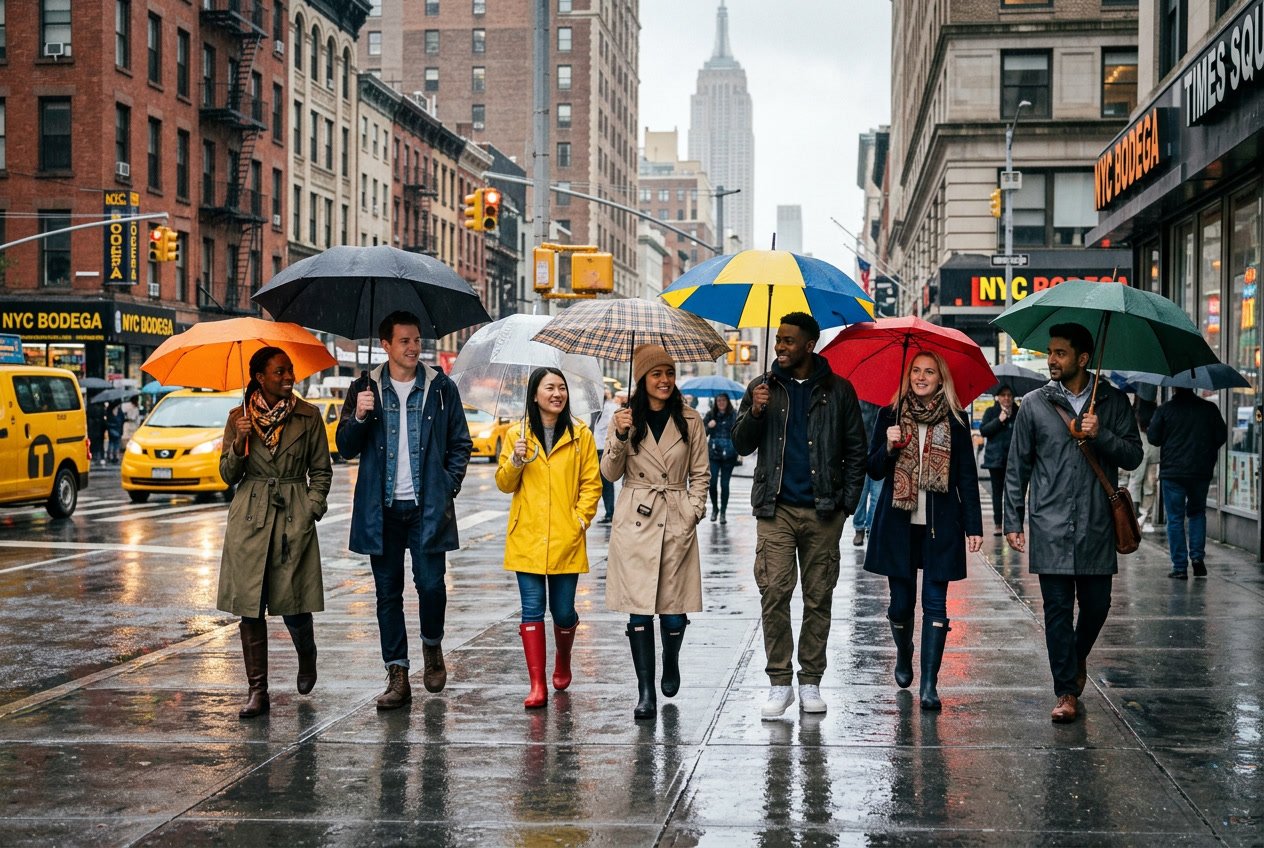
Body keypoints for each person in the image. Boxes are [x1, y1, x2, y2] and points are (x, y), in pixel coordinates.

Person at [732, 312, 867, 718]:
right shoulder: (762, 388)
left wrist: (845, 506)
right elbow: (740, 445)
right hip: (774, 509)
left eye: (789, 341)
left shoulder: (839, 391)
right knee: (773, 593)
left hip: (824, 511)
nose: (780, 348)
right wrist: (754, 413)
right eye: (778, 341)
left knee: (818, 596)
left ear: (810, 345)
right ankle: (779, 683)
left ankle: (810, 681)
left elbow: (855, 451)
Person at [1004, 322, 1141, 723]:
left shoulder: (1113, 402)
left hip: (1098, 522)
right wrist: (1014, 519)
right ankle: (1066, 691)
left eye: (1060, 353)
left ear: (1082, 358)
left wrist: (1101, 436)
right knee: (1057, 611)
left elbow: (1133, 456)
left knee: (1098, 606)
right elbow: (1018, 467)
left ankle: (1074, 657)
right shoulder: (1033, 404)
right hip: (1049, 522)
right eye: (1049, 352)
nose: (1051, 360)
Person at [336, 310, 473, 711]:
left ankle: (432, 644)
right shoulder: (364, 387)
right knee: (387, 593)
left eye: (416, 341)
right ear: (385, 346)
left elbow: (460, 443)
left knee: (431, 586)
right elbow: (345, 446)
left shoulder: (441, 387)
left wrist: (447, 486)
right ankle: (397, 673)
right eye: (405, 341)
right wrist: (360, 415)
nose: (414, 348)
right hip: (382, 510)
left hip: (426, 507)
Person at [217, 347, 333, 718]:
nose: (288, 377)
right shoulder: (239, 417)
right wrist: (239, 442)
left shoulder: (308, 416)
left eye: (290, 371)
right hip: (249, 517)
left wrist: (310, 509)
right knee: (250, 608)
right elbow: (227, 475)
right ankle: (258, 691)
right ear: (260, 377)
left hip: (291, 515)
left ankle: (308, 654)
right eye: (280, 372)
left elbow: (321, 471)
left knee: (294, 603)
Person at [864, 352, 983, 710]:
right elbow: (873, 470)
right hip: (898, 526)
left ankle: (929, 685)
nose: (921, 376)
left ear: (940, 378)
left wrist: (973, 525)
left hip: (940, 526)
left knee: (935, 604)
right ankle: (904, 653)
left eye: (929, 371)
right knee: (901, 605)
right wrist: (887, 445)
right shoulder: (890, 415)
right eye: (915, 370)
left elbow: (967, 476)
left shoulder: (956, 420)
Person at [602, 344, 710, 721]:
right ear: (642, 379)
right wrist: (618, 436)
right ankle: (645, 691)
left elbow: (700, 473)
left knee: (674, 613)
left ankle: (672, 660)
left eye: (669, 373)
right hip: (636, 521)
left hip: (677, 518)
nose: (664, 380)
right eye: (656, 374)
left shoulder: (691, 420)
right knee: (639, 612)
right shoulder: (626, 419)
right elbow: (609, 474)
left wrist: (694, 510)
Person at [496, 367, 602, 708]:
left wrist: (580, 521)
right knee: (531, 609)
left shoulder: (580, 434)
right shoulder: (516, 435)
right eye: (549, 388)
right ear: (535, 394)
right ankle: (537, 685)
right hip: (526, 536)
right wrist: (516, 460)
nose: (557, 394)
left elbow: (592, 484)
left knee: (563, 611)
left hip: (566, 538)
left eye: (561, 388)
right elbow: (504, 483)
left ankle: (564, 661)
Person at [1147, 387, 1226, 579]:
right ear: (1194, 386)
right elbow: (1221, 436)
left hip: (1173, 472)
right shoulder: (1209, 408)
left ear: (1174, 387)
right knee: (1197, 513)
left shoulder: (1165, 410)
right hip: (1200, 471)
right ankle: (1197, 558)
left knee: (1175, 519)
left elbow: (1153, 438)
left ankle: (1180, 567)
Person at [979, 386, 1018, 536]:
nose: (1007, 398)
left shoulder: (1018, 411)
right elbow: (984, 431)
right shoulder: (991, 412)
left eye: (1009, 395)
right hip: (995, 460)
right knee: (997, 493)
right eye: (1003, 395)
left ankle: (1012, 524)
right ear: (998, 397)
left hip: (1013, 459)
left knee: (1012, 493)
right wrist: (999, 420)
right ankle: (998, 524)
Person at [851, 400, 883, 546]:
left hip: (879, 449)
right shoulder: (859, 397)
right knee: (861, 493)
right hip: (860, 449)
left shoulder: (885, 399)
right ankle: (859, 528)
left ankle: (871, 527)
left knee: (877, 494)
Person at [703, 391, 738, 524]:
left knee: (725, 485)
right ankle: (715, 509)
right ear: (715, 402)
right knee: (712, 484)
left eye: (723, 400)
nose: (721, 403)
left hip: (729, 455)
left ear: (727, 402)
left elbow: (739, 432)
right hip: (713, 454)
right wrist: (708, 426)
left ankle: (723, 512)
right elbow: (701, 433)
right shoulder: (711, 415)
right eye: (719, 401)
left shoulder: (733, 415)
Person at [1129, 393, 1160, 531]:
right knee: (1147, 483)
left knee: (1140, 482)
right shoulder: (1155, 411)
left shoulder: (1134, 411)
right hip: (1149, 449)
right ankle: (1142, 516)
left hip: (1145, 449)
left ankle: (1137, 516)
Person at [592, 388, 621, 523]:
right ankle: (608, 511)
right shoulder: (591, 411)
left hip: (604, 448)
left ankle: (610, 511)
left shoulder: (611, 409)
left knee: (606, 482)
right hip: (593, 448)